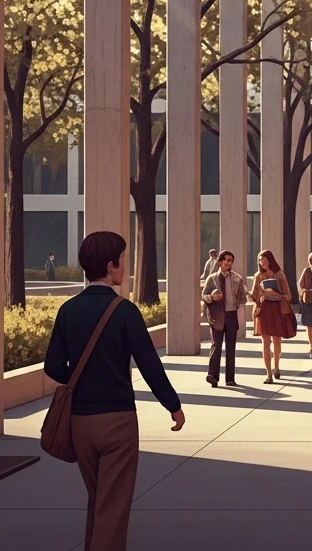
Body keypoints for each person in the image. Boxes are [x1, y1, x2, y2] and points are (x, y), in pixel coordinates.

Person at [44, 231, 184, 551]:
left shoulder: (68, 310)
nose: (125, 269)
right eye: (122, 262)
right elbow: (150, 366)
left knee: (99, 500)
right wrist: (172, 405)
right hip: (117, 422)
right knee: (114, 506)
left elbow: (53, 366)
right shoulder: (125, 311)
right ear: (110, 266)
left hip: (80, 421)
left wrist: (83, 380)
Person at [202, 249, 247, 388]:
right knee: (216, 345)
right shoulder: (212, 278)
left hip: (231, 315)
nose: (228, 262)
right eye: (226, 260)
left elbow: (242, 298)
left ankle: (230, 379)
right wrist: (212, 298)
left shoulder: (237, 279)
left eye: (231, 261)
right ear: (220, 262)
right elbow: (204, 296)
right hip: (216, 316)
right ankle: (212, 376)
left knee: (230, 347)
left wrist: (235, 303)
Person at [251, 249, 296, 383]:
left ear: (270, 260)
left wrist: (277, 294)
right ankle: (268, 374)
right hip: (263, 309)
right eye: (260, 260)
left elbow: (288, 295)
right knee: (265, 341)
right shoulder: (258, 276)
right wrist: (260, 296)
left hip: (277, 309)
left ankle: (276, 366)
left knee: (277, 340)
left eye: (264, 259)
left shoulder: (280, 275)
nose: (262, 262)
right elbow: (254, 296)